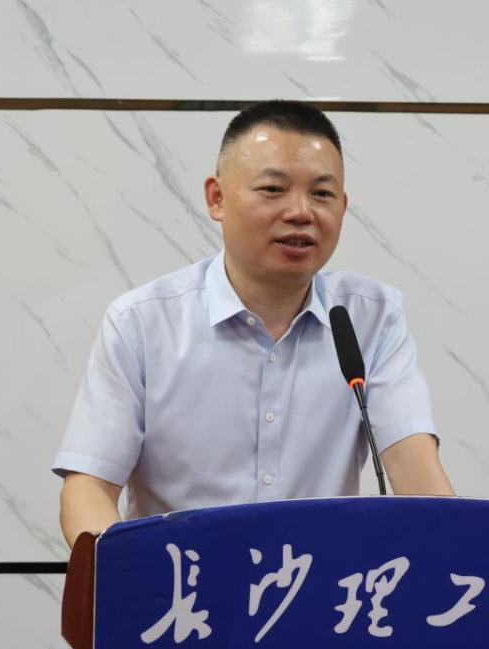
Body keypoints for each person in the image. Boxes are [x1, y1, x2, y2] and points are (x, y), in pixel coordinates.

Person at [54, 100, 455, 548]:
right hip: (182, 585)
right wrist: (124, 571)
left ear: (343, 207)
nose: (301, 211)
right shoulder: (142, 323)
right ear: (217, 198)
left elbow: (416, 471)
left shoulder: (372, 318)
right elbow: (88, 487)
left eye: (322, 194)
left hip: (319, 583)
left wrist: (456, 554)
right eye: (273, 189)